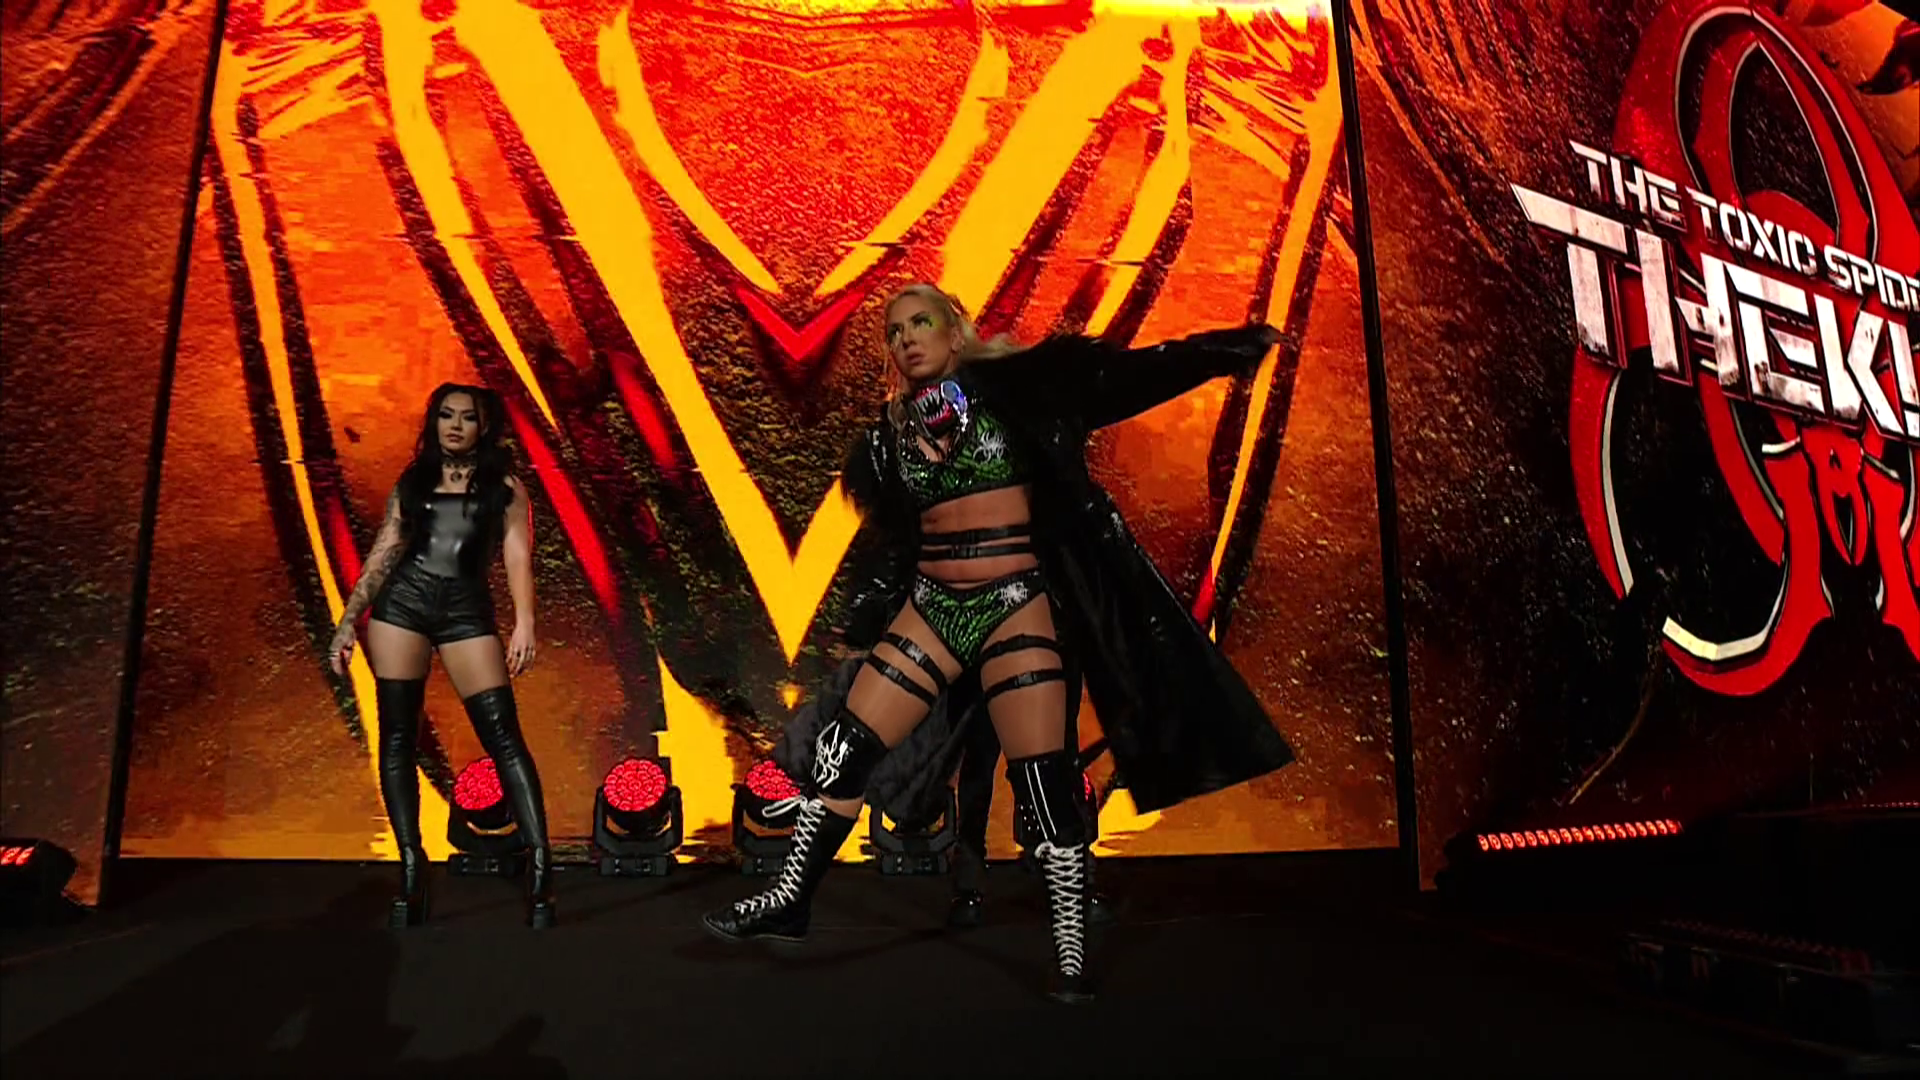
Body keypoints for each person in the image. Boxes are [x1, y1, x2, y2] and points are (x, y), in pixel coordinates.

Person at [703, 284, 1296, 1002]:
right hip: (932, 608)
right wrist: (863, 610)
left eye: (921, 322)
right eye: (894, 331)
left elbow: (1128, 377)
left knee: (1043, 782)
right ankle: (791, 900)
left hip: (1014, 603)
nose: (906, 338)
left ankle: (1070, 951)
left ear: (956, 332)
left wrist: (1220, 351)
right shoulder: (889, 442)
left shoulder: (1025, 392)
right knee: (842, 751)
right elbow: (895, 544)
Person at [327, 383, 554, 929]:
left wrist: (525, 621)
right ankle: (411, 868)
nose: (454, 425)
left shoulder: (505, 488)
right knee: (398, 737)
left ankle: (541, 866)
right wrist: (348, 620)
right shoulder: (414, 482)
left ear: (484, 426)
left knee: (503, 736)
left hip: (464, 611)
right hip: (401, 606)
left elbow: (517, 556)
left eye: (466, 417)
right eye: (446, 415)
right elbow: (385, 551)